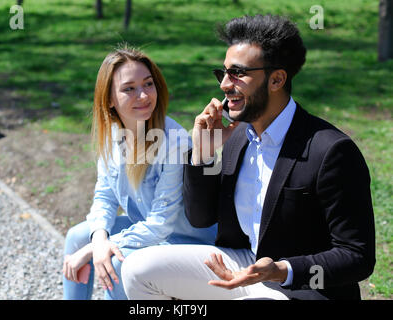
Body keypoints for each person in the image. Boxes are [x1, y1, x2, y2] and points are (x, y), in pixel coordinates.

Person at [121, 15, 376, 300]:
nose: (224, 85)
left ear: (277, 79)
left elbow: (357, 255)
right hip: (243, 264)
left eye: (238, 74)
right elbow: (200, 218)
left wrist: (282, 269)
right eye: (223, 73)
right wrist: (204, 155)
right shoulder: (238, 138)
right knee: (137, 269)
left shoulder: (331, 151)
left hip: (302, 289)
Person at [62, 45, 217, 300]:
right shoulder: (112, 134)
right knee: (78, 236)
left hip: (185, 243)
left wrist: (97, 251)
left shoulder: (175, 141)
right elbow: (105, 197)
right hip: (150, 230)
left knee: (117, 261)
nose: (144, 96)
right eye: (129, 88)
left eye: (148, 84)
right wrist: (98, 240)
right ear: (109, 99)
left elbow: (160, 225)